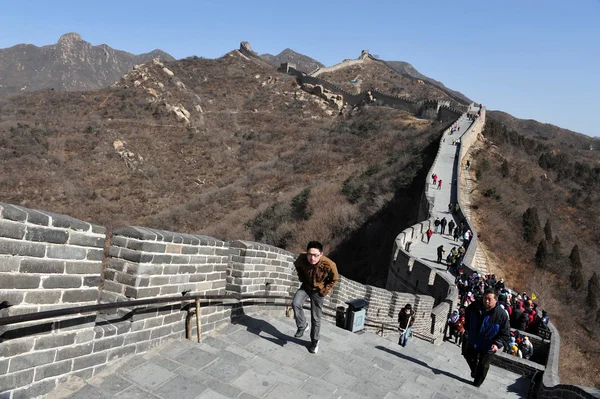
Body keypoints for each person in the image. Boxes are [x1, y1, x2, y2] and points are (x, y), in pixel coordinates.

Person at [293, 241, 339, 354]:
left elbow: (334, 279)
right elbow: (297, 266)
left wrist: (324, 291)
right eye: (310, 254)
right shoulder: (302, 259)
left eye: (315, 255)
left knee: (316, 318)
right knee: (295, 303)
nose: (312, 258)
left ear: (321, 254)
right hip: (306, 286)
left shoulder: (330, 265)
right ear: (306, 253)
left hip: (318, 291)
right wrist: (302, 278)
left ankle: (314, 341)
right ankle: (302, 326)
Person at [463, 289, 510, 387]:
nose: (486, 301)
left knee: (484, 366)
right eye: (485, 298)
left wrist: (497, 343)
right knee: (468, 355)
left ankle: (476, 384)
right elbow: (466, 314)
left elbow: (505, 333)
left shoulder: (501, 315)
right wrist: (467, 328)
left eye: (489, 299)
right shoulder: (475, 306)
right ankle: (475, 370)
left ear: (496, 300)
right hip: (474, 339)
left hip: (489, 344)